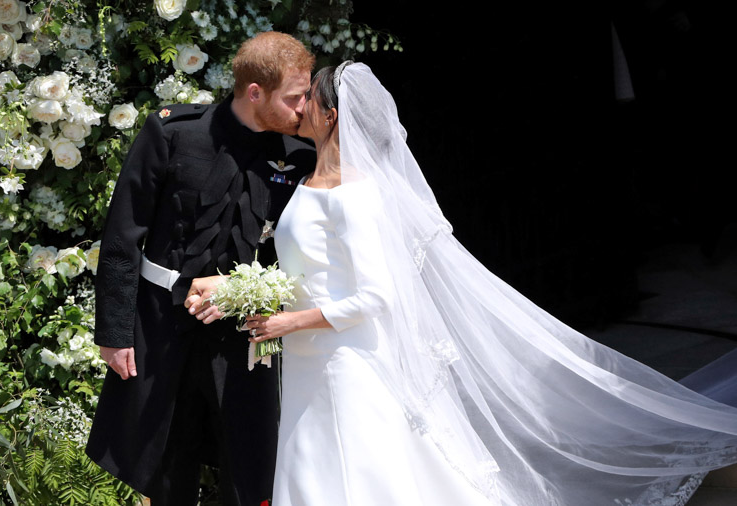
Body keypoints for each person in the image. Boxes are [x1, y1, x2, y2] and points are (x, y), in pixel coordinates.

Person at [243, 61, 737, 505]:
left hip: (345, 359)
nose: (299, 106)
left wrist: (292, 319)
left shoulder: (353, 194)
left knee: (353, 465)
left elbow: (376, 296)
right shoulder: (310, 182)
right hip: (309, 354)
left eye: (310, 98)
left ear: (331, 115)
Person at [85, 32, 316, 506]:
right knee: (165, 462)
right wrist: (114, 332)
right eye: (295, 97)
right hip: (162, 326)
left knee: (249, 470)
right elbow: (123, 236)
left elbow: (300, 253)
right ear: (255, 92)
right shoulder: (173, 132)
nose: (304, 108)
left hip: (248, 337)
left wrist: (243, 289)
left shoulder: (299, 159)